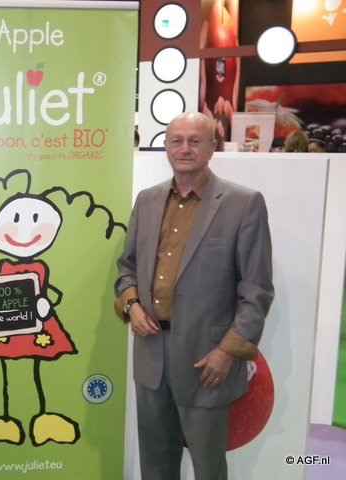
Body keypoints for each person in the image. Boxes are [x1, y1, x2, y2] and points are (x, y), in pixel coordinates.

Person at [115, 112, 274, 479]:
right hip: (151, 354)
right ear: (166, 147)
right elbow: (127, 267)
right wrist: (131, 304)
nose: (184, 148)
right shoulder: (147, 200)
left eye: (195, 141)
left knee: (208, 467)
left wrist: (228, 351)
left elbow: (257, 289)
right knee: (155, 464)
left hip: (207, 361)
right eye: (176, 140)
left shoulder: (243, 203)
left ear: (212, 147)